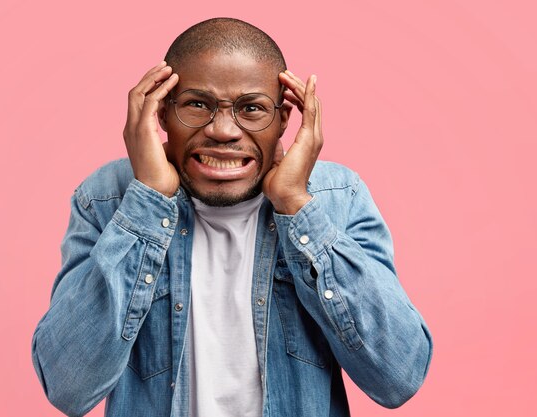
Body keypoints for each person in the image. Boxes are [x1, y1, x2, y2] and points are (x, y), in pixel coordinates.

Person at [32, 17, 432, 417]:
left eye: (252, 108)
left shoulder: (337, 198)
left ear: (284, 121)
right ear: (161, 114)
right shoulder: (108, 198)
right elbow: (68, 387)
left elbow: (398, 378)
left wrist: (296, 205)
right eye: (197, 104)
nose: (223, 130)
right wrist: (148, 200)